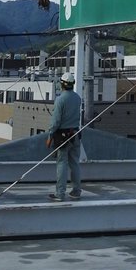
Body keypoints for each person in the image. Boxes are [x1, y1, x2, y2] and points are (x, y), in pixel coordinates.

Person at [47, 71, 82, 202]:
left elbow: (55, 121)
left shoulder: (60, 99)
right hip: (76, 134)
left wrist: (50, 135)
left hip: (62, 136)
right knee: (75, 163)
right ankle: (76, 190)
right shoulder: (77, 98)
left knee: (62, 163)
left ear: (62, 84)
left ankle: (60, 193)